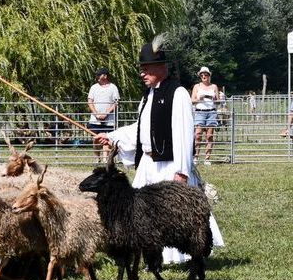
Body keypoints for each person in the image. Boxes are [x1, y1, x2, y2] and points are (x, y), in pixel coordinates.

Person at [94, 36, 224, 264]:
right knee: (142, 214)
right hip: (149, 165)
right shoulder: (148, 96)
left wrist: (181, 172)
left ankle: (182, 255)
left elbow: (184, 132)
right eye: (141, 69)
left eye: (146, 68)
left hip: (170, 165)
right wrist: (112, 137)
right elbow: (141, 128)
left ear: (161, 67)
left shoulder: (178, 93)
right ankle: (150, 256)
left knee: (173, 214)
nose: (142, 73)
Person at [86, 67, 120, 162]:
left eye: (99, 75)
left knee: (107, 139)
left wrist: (106, 113)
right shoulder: (94, 87)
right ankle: (97, 158)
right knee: (95, 139)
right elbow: (90, 101)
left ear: (105, 76)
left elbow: (116, 102)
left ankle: (106, 159)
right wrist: (96, 114)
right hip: (95, 119)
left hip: (109, 120)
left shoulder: (113, 87)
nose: (97, 77)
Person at [191, 66, 221, 165]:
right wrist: (201, 98)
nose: (204, 76)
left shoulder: (214, 86)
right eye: (202, 75)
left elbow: (218, 101)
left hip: (211, 112)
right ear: (200, 76)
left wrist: (214, 99)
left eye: (206, 74)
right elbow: (192, 100)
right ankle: (196, 157)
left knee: (209, 136)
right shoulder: (197, 86)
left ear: (209, 75)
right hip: (200, 112)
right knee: (198, 135)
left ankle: (207, 158)